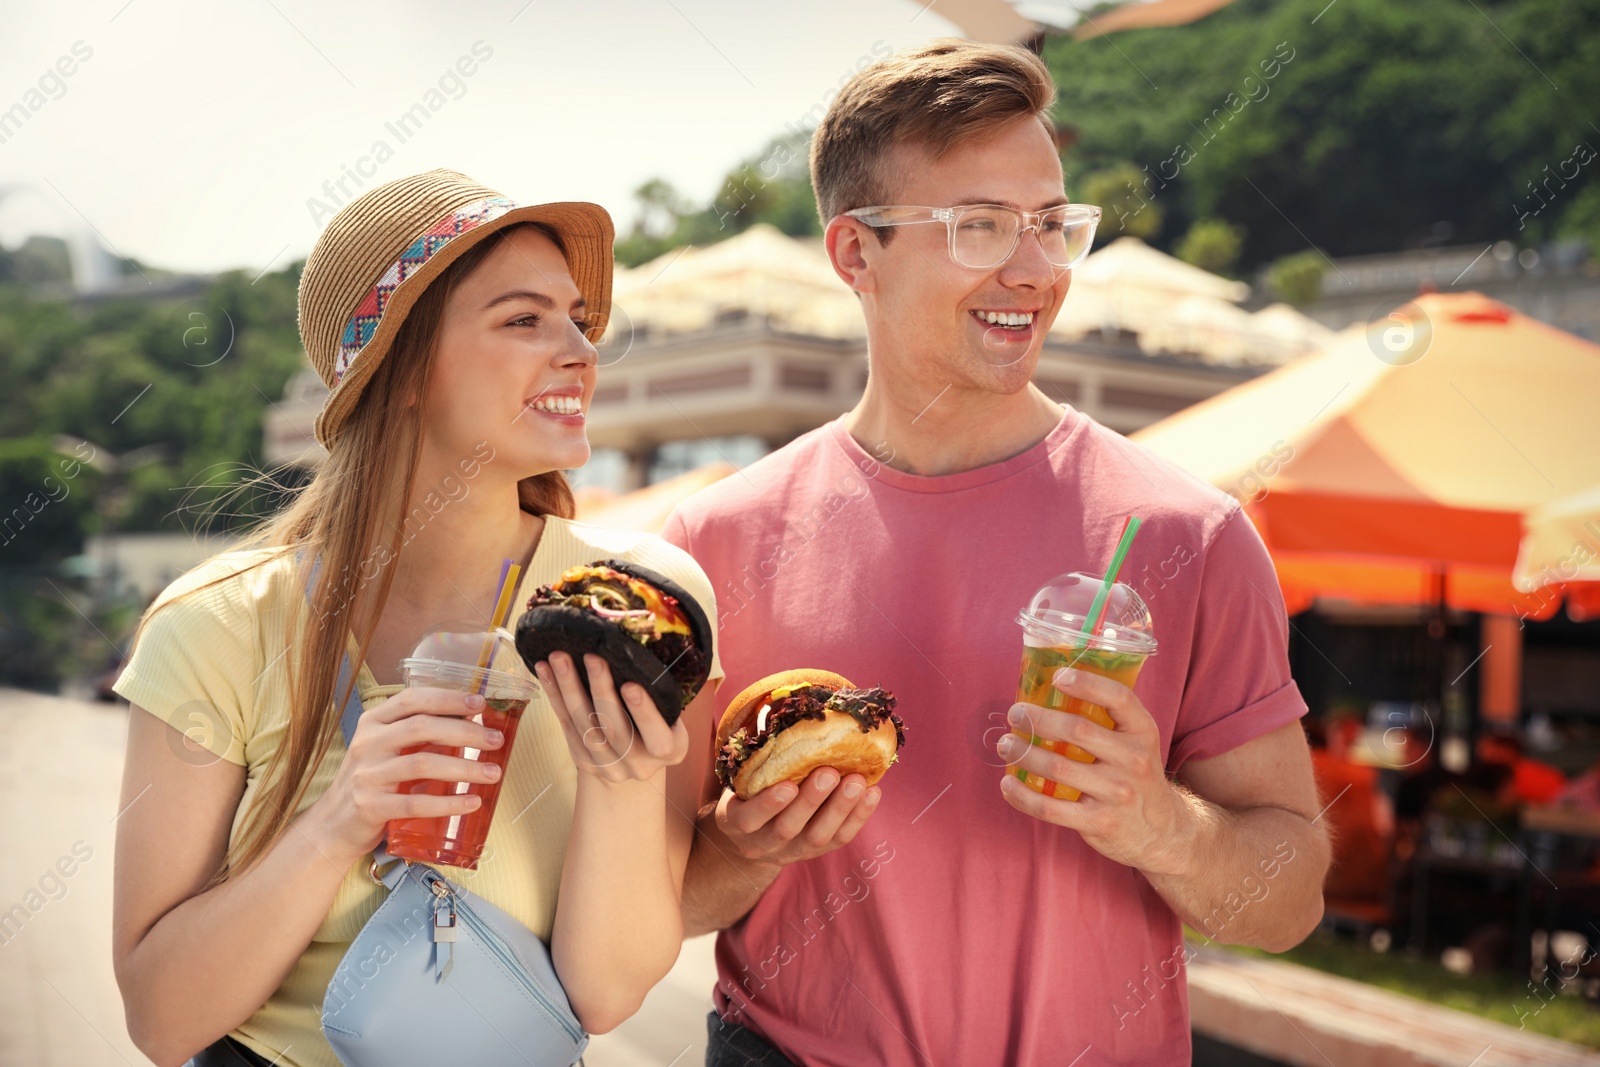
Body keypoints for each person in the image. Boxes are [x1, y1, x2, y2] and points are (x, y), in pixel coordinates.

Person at [663, 41, 1331, 1066]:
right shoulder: (713, 544)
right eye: (979, 226)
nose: (1033, 269)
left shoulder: (1187, 535)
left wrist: (1157, 820)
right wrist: (740, 845)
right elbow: (656, 898)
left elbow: (1285, 901)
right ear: (854, 253)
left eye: (1053, 225)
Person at [111, 170, 722, 1067]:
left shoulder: (642, 603)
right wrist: (339, 820)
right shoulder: (214, 626)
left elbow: (607, 989)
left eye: (579, 320)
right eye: (524, 320)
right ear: (398, 372)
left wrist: (621, 775)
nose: (583, 351)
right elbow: (163, 1022)